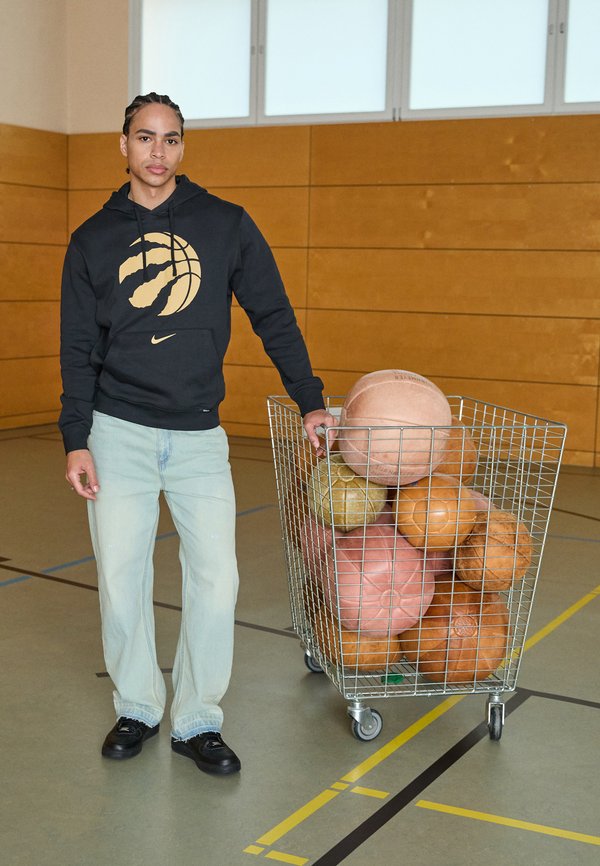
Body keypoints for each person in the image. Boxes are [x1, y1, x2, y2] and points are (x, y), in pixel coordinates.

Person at [59, 92, 336, 776]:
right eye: (145, 137)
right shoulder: (92, 240)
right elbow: (76, 348)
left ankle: (197, 720)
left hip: (198, 438)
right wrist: (76, 436)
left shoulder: (225, 224)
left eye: (171, 139)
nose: (158, 151)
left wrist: (310, 400)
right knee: (121, 578)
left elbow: (274, 314)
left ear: (183, 147)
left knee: (216, 580)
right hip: (117, 431)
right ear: (123, 145)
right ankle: (137, 706)